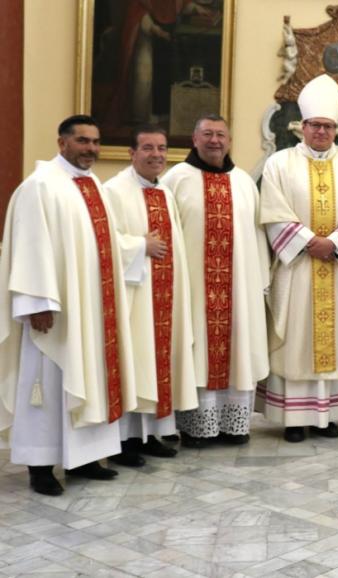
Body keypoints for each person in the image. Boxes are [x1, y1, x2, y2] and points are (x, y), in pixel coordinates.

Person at [0, 115, 139, 495]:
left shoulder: (91, 184)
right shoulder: (40, 187)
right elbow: (30, 247)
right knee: (46, 382)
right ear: (62, 143)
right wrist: (37, 302)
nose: (91, 149)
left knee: (90, 375)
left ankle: (85, 459)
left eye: (95, 141)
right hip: (55, 312)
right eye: (82, 141)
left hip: (93, 309)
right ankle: (40, 466)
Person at [259, 75, 338, 443]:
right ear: (302, 127)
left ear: (335, 128)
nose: (322, 132)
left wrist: (336, 243)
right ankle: (295, 418)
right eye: (315, 125)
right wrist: (311, 242)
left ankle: (329, 415)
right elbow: (274, 212)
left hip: (335, 269)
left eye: (327, 126)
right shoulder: (279, 164)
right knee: (296, 337)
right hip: (296, 272)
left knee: (334, 334)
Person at [161, 114, 270, 448]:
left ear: (230, 141)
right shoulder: (176, 178)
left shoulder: (243, 182)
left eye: (221, 135)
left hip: (238, 288)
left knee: (237, 347)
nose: (214, 141)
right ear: (194, 139)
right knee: (196, 350)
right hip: (193, 288)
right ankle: (197, 427)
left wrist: (258, 280)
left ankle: (234, 425)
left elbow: (257, 235)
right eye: (207, 134)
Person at [103, 125, 199, 465]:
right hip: (136, 296)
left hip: (165, 296)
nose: (156, 154)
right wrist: (140, 245)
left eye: (161, 148)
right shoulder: (114, 190)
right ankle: (125, 441)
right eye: (147, 148)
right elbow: (104, 241)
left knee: (157, 363)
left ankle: (149, 435)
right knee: (136, 363)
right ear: (132, 153)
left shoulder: (165, 192)